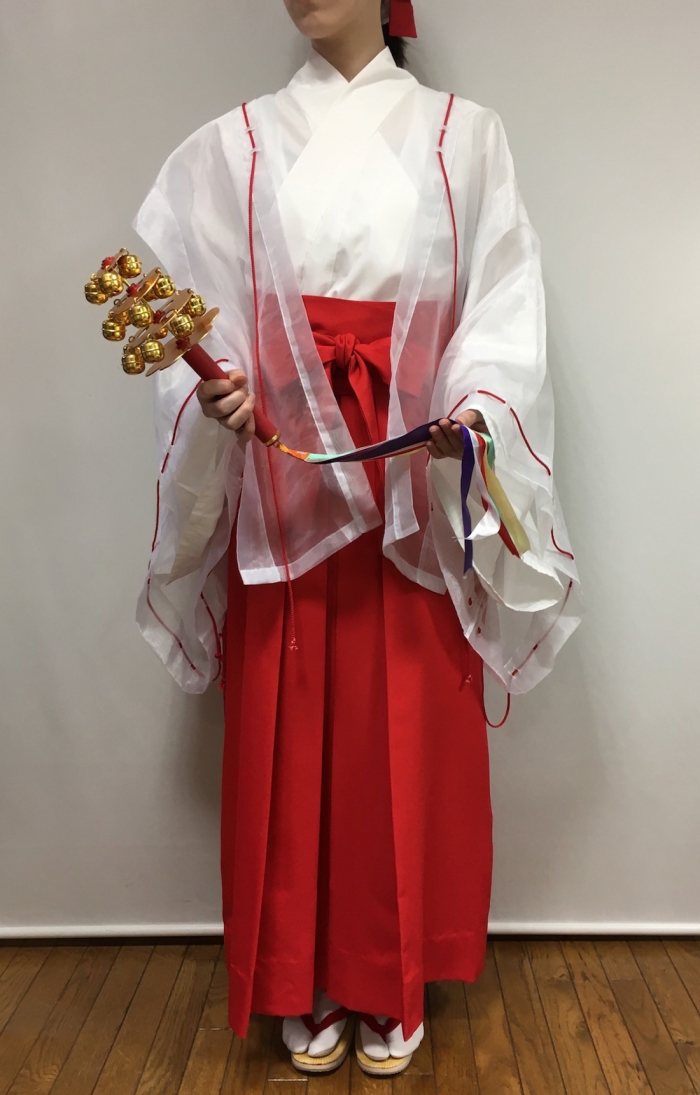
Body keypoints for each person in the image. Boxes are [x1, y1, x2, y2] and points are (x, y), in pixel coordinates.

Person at [133, 0, 581, 1077]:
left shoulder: (464, 137)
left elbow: (501, 306)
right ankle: (303, 972)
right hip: (285, 472)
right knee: (290, 722)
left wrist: (476, 408)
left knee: (405, 724)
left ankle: (394, 974)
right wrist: (218, 389)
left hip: (408, 474)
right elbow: (200, 316)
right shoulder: (233, 146)